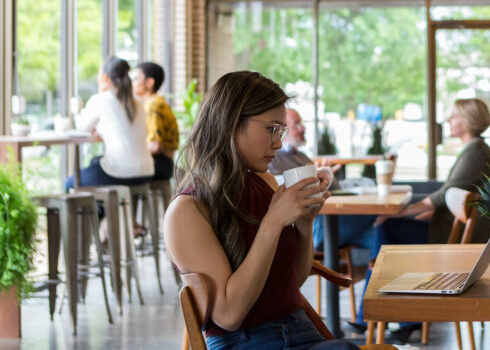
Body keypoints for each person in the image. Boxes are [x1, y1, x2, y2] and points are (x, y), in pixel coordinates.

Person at [164, 71, 358, 350]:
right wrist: (273, 222)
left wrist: (305, 225)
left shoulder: (264, 183)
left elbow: (291, 281)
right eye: (271, 129)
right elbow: (229, 315)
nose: (278, 143)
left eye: (281, 131)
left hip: (303, 331)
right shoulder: (187, 210)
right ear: (232, 122)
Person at [349, 98, 490, 341]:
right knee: (389, 229)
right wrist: (418, 213)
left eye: (454, 116)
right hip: (450, 229)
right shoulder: (475, 149)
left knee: (387, 227)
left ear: (469, 120)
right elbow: (448, 197)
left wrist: (403, 211)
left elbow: (442, 196)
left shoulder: (476, 151)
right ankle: (392, 318)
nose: (449, 120)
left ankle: (376, 316)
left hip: (454, 237)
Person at [268, 108, 375, 252]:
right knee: (375, 216)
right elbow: (276, 188)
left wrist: (327, 176)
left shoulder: (301, 156)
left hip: (324, 222)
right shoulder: (273, 158)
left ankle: (371, 274)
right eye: (296, 124)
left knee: (380, 232)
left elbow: (333, 189)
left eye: (302, 123)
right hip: (315, 227)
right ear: (282, 131)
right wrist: (315, 178)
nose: (303, 128)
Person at [65, 56, 154, 190]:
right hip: (146, 170)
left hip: (120, 172)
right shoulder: (138, 101)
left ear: (105, 78)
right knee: (95, 162)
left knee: (70, 184)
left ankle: (100, 211)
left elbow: (81, 128)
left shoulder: (101, 99)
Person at [132, 61, 179, 182]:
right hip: (165, 164)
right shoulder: (158, 102)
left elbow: (156, 146)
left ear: (150, 82)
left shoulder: (153, 105)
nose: (133, 83)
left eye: (136, 78)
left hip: (159, 164)